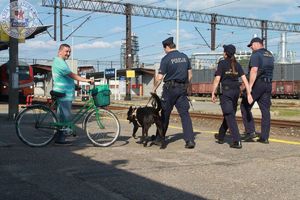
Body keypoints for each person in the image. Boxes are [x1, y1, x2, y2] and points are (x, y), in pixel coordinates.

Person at [152, 37, 195, 149]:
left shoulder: (166, 59)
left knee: (165, 114)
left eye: (164, 48)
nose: (164, 51)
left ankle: (160, 139)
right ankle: (190, 140)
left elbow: (160, 77)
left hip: (169, 90)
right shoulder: (185, 57)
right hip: (182, 89)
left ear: (167, 47)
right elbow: (190, 75)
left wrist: (154, 88)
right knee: (185, 115)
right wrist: (186, 86)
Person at [211, 44, 253, 149]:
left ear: (225, 53)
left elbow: (217, 79)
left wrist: (213, 92)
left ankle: (236, 141)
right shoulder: (237, 64)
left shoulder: (222, 63)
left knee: (229, 115)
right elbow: (244, 80)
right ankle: (221, 136)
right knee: (229, 114)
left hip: (226, 92)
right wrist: (248, 93)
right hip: (235, 92)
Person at [52, 44, 94, 145]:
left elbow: (67, 78)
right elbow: (72, 75)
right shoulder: (59, 62)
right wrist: (86, 80)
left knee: (62, 117)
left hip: (64, 92)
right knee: (66, 117)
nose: (68, 54)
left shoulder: (61, 62)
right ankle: (62, 137)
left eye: (69, 52)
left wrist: (75, 86)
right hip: (63, 93)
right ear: (60, 51)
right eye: (66, 51)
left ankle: (59, 138)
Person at [241, 37, 274, 144]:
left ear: (256, 44)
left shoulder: (256, 55)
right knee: (265, 111)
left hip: (257, 84)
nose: (251, 47)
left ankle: (250, 132)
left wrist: (249, 87)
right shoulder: (270, 55)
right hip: (268, 84)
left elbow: (254, 70)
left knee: (245, 106)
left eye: (251, 45)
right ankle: (264, 137)